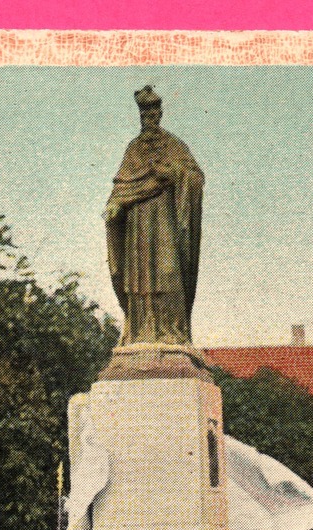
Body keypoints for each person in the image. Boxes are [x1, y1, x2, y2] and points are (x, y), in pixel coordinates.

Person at [105, 85, 204, 347]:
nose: (148, 116)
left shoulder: (174, 145)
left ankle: (172, 333)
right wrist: (115, 205)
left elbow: (195, 178)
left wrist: (174, 174)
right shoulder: (133, 149)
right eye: (144, 112)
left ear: (159, 113)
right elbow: (121, 186)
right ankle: (140, 333)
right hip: (138, 223)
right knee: (139, 278)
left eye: (153, 111)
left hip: (165, 222)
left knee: (168, 271)